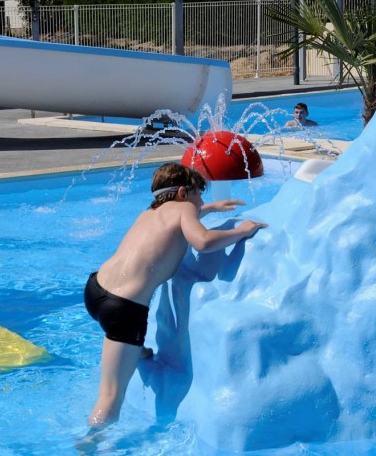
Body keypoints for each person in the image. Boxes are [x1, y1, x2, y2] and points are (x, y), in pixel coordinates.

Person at [83, 162, 267, 427]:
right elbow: (203, 242)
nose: (200, 202)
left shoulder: (150, 212)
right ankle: (88, 443)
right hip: (123, 309)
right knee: (110, 397)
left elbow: (180, 218)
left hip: (96, 289)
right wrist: (241, 231)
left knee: (123, 342)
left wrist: (210, 208)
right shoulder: (184, 209)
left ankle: (136, 351)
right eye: (199, 195)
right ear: (183, 192)